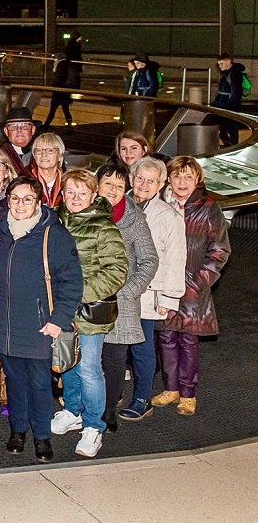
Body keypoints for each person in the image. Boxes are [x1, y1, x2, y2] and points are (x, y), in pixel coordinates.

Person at [0, 176, 82, 463]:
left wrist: (58, 319)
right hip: (4, 322)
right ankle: (17, 430)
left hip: (40, 324)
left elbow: (72, 282)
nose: (20, 204)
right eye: (15, 198)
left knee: (39, 382)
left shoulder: (55, 235)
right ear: (7, 199)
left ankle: (41, 436)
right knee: (13, 379)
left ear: (39, 202)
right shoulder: (0, 231)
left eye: (28, 199)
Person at [50, 169, 128, 459]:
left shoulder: (104, 228)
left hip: (90, 311)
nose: (75, 198)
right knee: (67, 362)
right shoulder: (55, 222)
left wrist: (76, 293)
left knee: (89, 369)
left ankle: (94, 425)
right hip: (61, 311)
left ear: (94, 195)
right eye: (70, 192)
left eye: (83, 193)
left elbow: (117, 271)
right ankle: (72, 410)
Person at [154, 156, 229, 416]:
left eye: (188, 176)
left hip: (192, 287)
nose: (182, 182)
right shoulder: (159, 203)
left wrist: (198, 282)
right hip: (163, 285)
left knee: (187, 340)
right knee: (165, 338)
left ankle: (188, 393)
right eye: (177, 176)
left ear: (197, 179)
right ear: (168, 179)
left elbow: (220, 251)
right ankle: (170, 388)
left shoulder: (208, 207)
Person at [95, 163, 158, 432]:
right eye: (108, 183)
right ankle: (83, 407)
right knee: (86, 358)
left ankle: (109, 410)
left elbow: (149, 260)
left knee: (114, 360)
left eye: (119, 186)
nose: (113, 189)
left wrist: (129, 292)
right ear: (97, 185)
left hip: (120, 302)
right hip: (86, 298)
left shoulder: (135, 218)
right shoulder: (82, 210)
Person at [121, 156, 186, 421]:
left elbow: (176, 257)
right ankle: (112, 393)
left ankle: (141, 398)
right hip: (118, 289)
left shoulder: (168, 216)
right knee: (113, 347)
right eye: (139, 178)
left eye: (151, 180)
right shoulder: (117, 204)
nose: (144, 184)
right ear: (131, 179)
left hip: (149, 292)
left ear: (160, 185)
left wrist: (170, 298)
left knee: (142, 347)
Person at [211, 53, 246, 145]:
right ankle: (230, 147)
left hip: (229, 107)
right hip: (224, 106)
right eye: (219, 64)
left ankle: (232, 148)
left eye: (221, 64)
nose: (219, 66)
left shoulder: (234, 74)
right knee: (224, 130)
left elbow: (236, 93)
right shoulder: (227, 74)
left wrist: (227, 106)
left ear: (228, 61)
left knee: (231, 130)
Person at [29, 132, 65, 208]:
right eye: (38, 150)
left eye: (50, 150)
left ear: (60, 155)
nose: (44, 154)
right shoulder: (25, 180)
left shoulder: (68, 181)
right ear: (34, 156)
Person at [0, 107, 38, 175]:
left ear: (33, 130)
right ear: (6, 131)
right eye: (14, 126)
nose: (19, 130)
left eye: (24, 126)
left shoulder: (42, 154)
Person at [43, 54, 78, 128]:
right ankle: (70, 128)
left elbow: (58, 79)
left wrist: (54, 87)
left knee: (53, 109)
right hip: (66, 91)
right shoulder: (69, 64)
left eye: (55, 58)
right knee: (66, 110)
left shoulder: (60, 65)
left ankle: (46, 126)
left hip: (58, 91)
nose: (54, 60)